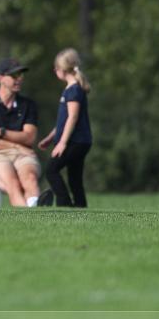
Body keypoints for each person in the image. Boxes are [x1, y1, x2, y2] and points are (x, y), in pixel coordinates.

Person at [0, 58, 42, 207]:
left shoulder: (28, 105)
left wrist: (0, 131)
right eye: (14, 75)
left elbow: (29, 137)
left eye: (21, 75)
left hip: (23, 155)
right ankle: (30, 218)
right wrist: (17, 147)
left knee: (29, 178)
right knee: (13, 183)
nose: (19, 79)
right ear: (0, 78)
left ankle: (34, 210)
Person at [38, 48, 93, 207]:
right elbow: (63, 121)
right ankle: (80, 207)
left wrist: (62, 142)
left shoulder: (74, 90)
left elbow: (73, 117)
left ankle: (65, 205)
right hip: (79, 141)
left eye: (55, 68)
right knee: (74, 177)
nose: (55, 71)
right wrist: (50, 138)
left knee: (51, 170)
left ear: (62, 70)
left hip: (75, 141)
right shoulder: (71, 89)